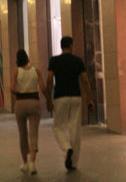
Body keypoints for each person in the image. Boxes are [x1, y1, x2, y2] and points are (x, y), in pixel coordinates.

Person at [46, 36, 94, 171]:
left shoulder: (54, 61)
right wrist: (90, 99)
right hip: (76, 97)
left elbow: (49, 79)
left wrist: (48, 99)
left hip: (60, 97)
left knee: (58, 126)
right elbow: (85, 81)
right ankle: (73, 163)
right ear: (71, 45)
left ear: (61, 46)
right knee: (75, 128)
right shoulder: (78, 61)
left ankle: (67, 148)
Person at [11, 48, 50, 175]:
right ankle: (33, 163)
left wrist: (20, 92)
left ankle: (25, 163)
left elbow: (11, 89)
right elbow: (43, 88)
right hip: (34, 102)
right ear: (27, 58)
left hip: (20, 103)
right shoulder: (36, 71)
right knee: (34, 133)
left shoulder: (16, 72)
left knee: (22, 133)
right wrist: (49, 99)